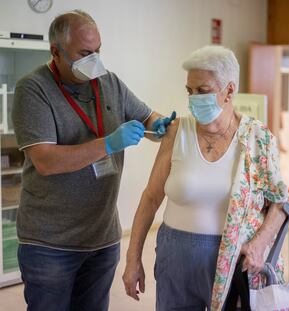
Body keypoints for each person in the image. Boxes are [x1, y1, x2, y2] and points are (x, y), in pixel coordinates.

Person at [11, 10, 175, 311]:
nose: (94, 60)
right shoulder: (32, 89)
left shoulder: (108, 82)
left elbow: (146, 117)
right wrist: (109, 143)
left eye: (98, 51)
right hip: (50, 244)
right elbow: (46, 160)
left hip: (102, 238)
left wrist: (160, 126)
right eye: (85, 53)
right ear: (56, 52)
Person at [122, 45, 289, 311]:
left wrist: (259, 245)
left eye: (203, 91)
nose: (193, 98)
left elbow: (280, 204)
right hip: (174, 257)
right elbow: (151, 197)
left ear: (229, 91)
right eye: (190, 91)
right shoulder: (177, 132)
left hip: (232, 260)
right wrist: (132, 259)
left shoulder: (258, 138)